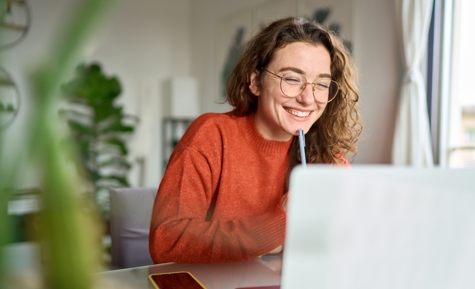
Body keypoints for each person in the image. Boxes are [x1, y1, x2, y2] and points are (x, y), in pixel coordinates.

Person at [149, 16, 362, 264]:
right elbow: (166, 242)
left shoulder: (325, 154)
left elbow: (350, 240)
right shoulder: (211, 135)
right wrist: (279, 222)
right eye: (292, 79)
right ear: (255, 82)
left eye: (321, 84)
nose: (308, 98)